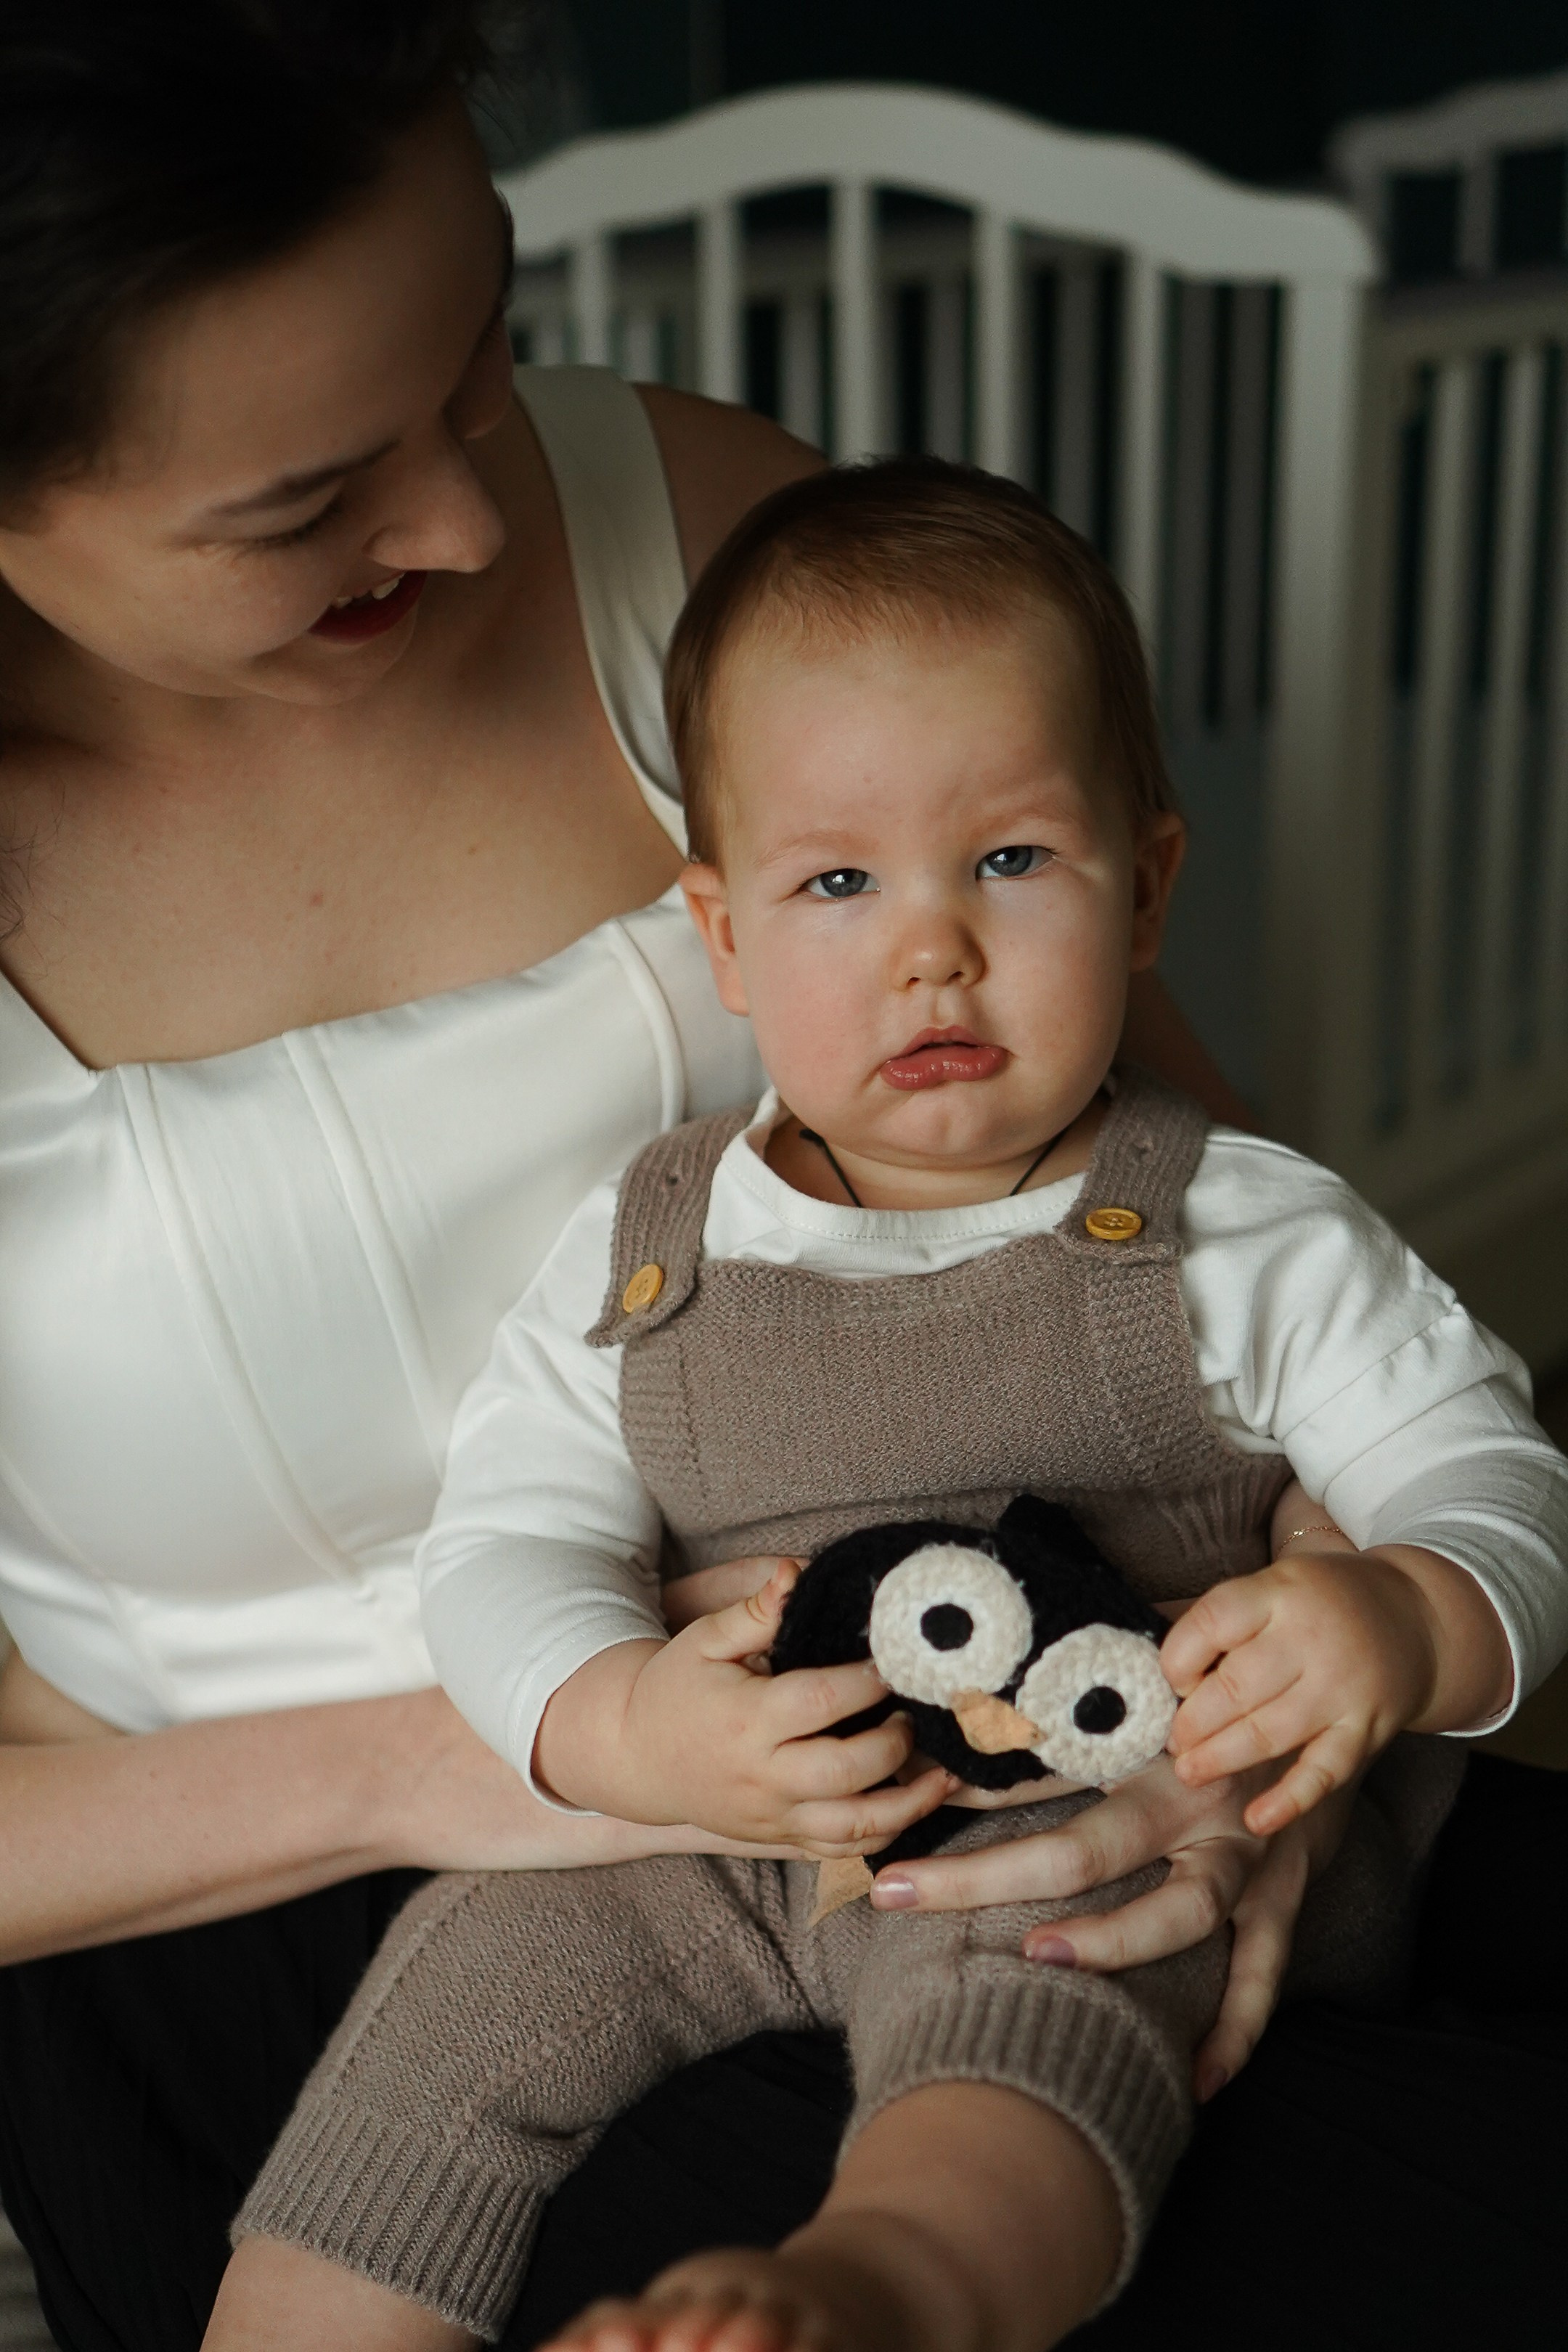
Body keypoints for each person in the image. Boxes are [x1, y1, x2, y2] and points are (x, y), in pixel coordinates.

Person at [0, 9, 1367, 2352]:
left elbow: (1204, 1205)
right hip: (322, 1907)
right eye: (303, 505)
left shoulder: (717, 526)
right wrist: (524, 1753)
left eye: (486, 354)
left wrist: (1295, 1708)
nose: (461, 514)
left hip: (1045, 1677)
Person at [214, 462, 1568, 2352]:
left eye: (1010, 860)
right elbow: (508, 1541)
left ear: (1147, 880)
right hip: (711, 1816)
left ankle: (868, 2293)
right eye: (839, 882)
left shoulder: (1231, 1225)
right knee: (465, 1991)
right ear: (728, 942)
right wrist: (614, 1724)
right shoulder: (647, 1243)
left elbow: (1483, 1466)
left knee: (1037, 2010)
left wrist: (1406, 1616)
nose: (930, 945)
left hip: (1088, 1814)